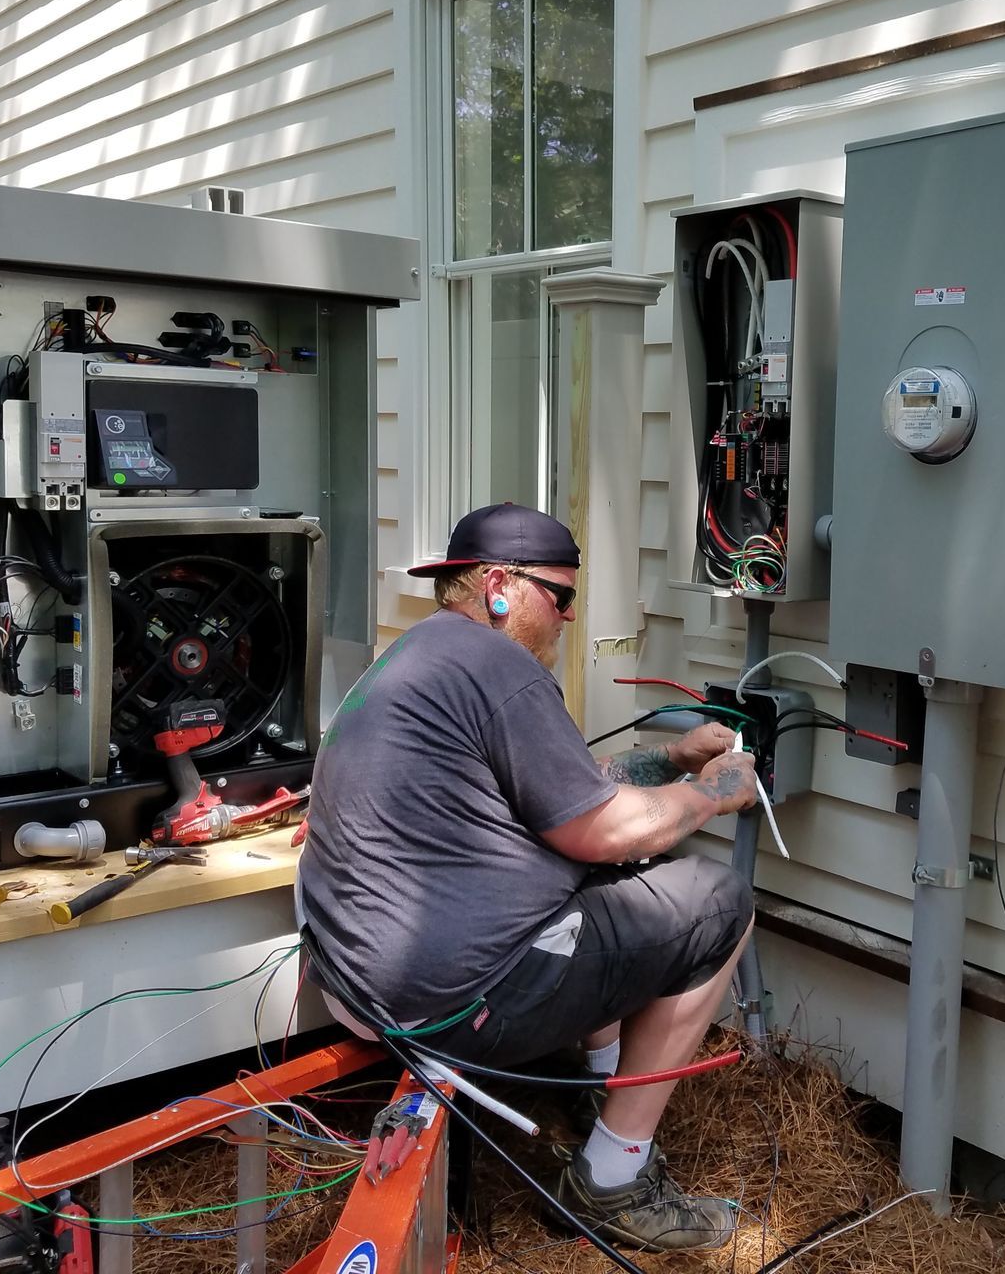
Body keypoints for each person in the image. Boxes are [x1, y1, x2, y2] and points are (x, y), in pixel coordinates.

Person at [296, 503, 758, 1251]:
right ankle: (612, 1180)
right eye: (562, 595)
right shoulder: (500, 666)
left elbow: (569, 792)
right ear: (500, 586)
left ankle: (601, 1089)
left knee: (617, 882)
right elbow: (600, 828)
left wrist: (671, 763)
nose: (570, 617)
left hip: (354, 982)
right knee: (718, 903)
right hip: (451, 1001)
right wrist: (716, 793)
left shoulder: (420, 653)